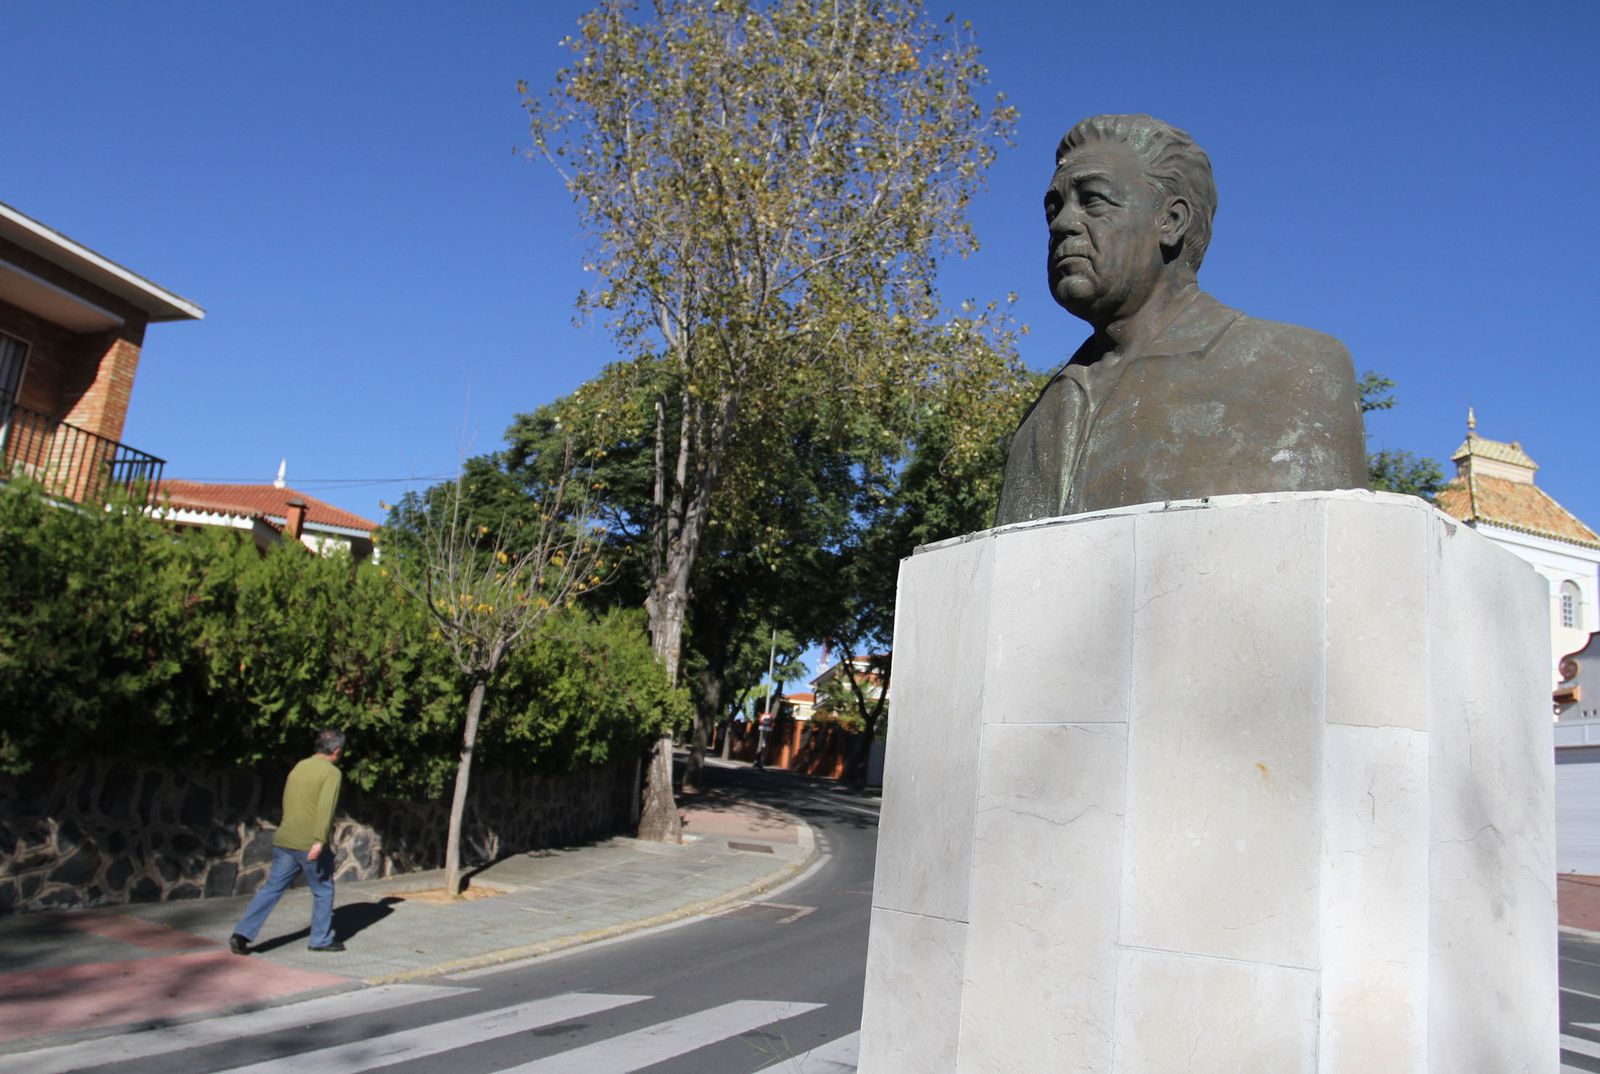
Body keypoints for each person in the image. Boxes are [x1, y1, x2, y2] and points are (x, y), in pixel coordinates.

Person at [995, 114, 1367, 525]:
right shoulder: (1042, 416)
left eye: (1093, 200)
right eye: (1054, 207)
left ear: (1171, 222)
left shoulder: (1293, 368)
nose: (1063, 223)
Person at [229, 728, 346, 954]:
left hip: (284, 838)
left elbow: (288, 800)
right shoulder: (331, 773)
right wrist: (319, 841)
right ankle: (320, 939)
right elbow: (326, 810)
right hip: (308, 842)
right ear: (337, 750)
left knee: (272, 888)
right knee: (323, 890)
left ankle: (241, 934)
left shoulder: (299, 766)